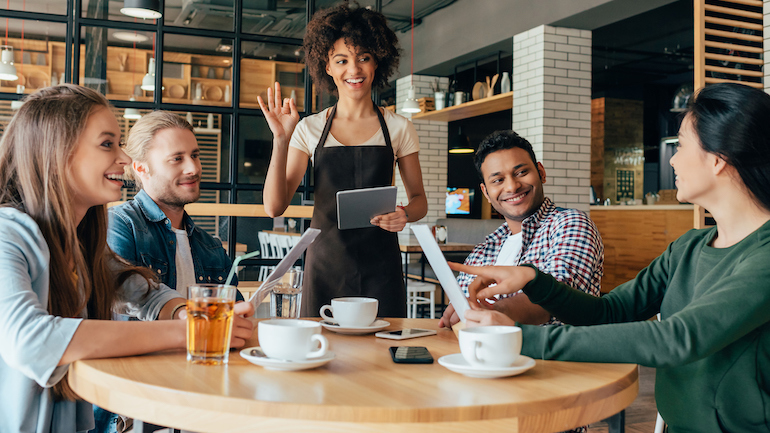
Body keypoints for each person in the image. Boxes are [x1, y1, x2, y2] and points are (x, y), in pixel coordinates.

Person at [452, 83, 770, 433]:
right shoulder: (689, 247)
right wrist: (533, 279)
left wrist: (518, 338)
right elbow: (608, 312)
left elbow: (679, 338)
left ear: (718, 158)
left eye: (680, 145)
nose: (673, 158)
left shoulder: (764, 255)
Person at [0, 84, 254, 433]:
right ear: (57, 153)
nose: (123, 159)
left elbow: (141, 290)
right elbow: (29, 340)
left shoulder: (77, 240)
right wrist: (191, 331)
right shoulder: (5, 233)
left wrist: (190, 314)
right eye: (108, 144)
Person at [259, 2, 428, 317]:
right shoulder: (309, 128)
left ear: (377, 61)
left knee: (382, 357)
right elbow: (274, 207)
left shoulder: (398, 127)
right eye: (342, 60)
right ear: (327, 66)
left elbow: (420, 201)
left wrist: (404, 214)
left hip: (383, 265)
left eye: (364, 58)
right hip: (326, 264)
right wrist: (281, 140)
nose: (354, 70)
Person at [439, 130, 603, 328]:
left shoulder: (570, 224)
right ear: (486, 192)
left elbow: (559, 298)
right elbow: (462, 307)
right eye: (498, 180)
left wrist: (491, 313)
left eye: (521, 172)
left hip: (551, 357)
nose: (512, 186)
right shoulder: (486, 248)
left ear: (541, 172)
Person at [108, 111, 243, 302]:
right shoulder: (120, 224)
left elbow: (232, 315)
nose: (194, 168)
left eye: (195, 155)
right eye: (177, 158)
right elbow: (122, 299)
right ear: (141, 168)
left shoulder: (211, 247)